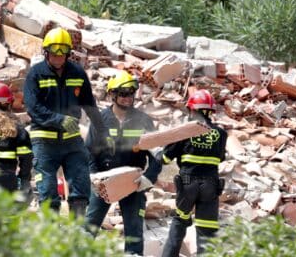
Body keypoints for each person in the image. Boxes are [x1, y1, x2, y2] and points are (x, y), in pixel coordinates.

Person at [23, 27, 109, 217]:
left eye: (63, 51)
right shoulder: (35, 74)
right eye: (55, 51)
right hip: (44, 142)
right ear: (46, 51)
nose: (59, 56)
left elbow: (89, 105)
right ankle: (52, 239)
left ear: (69, 52)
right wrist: (59, 120)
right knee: (48, 195)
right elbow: (33, 107)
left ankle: (75, 236)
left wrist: (103, 133)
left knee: (80, 189)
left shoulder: (77, 73)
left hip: (71, 141)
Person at [85, 71, 162, 256]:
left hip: (134, 183)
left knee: (134, 233)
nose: (128, 98)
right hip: (103, 180)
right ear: (113, 95)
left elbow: (158, 156)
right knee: (89, 227)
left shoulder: (143, 120)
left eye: (131, 93)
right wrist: (93, 176)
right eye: (123, 93)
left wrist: (148, 179)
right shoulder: (100, 120)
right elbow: (88, 151)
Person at [159, 89, 228, 257]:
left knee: (179, 223)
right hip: (210, 187)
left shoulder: (185, 131)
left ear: (192, 110)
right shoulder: (221, 133)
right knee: (207, 232)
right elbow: (220, 159)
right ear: (210, 111)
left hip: (188, 185)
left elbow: (165, 159)